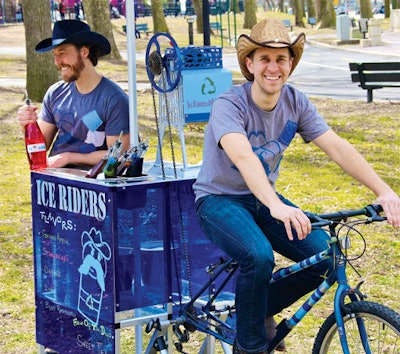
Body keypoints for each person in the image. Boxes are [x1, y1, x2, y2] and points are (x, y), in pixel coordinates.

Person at [193, 18, 400, 354]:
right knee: (259, 257)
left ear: (291, 63)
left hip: (264, 199)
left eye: (281, 59)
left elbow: (337, 146)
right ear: (250, 63)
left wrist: (384, 190)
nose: (273, 67)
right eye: (265, 58)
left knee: (326, 259)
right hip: (219, 200)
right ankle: (250, 345)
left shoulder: (295, 102)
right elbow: (244, 158)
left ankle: (256, 312)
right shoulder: (228, 105)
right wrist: (276, 204)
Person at [17, 20, 130, 169]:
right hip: (53, 183)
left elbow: (119, 156)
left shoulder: (114, 99)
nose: (57, 62)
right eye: (54, 55)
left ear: (84, 52)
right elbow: (39, 146)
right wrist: (27, 126)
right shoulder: (55, 93)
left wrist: (69, 157)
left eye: (62, 53)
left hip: (93, 187)